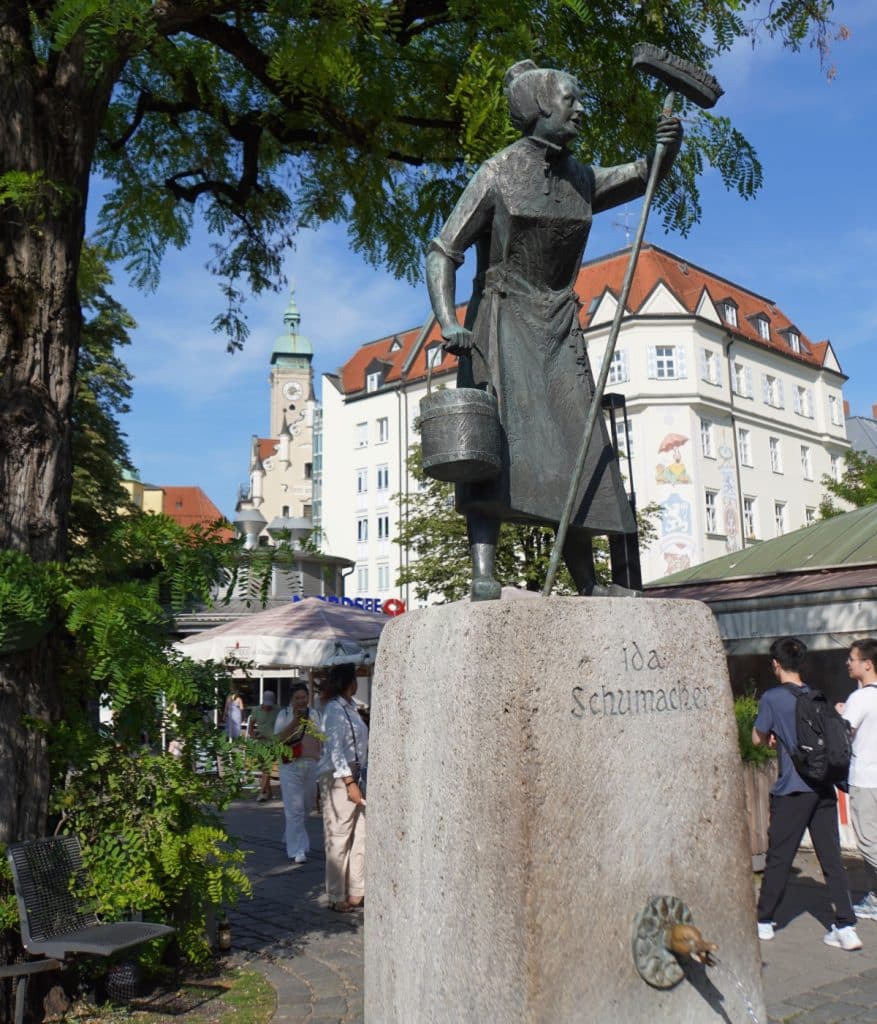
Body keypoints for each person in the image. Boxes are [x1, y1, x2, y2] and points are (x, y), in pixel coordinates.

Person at [425, 59, 682, 601]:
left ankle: (587, 582)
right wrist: (449, 322)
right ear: (539, 107)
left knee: (578, 444)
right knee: (495, 445)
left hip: (559, 323)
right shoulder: (497, 172)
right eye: (572, 100)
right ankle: (483, 573)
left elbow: (639, 175)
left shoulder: (580, 177)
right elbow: (442, 251)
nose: (582, 108)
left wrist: (665, 149)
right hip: (500, 320)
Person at [752, 637, 860, 949]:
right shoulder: (816, 696)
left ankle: (765, 920)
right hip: (824, 788)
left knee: (779, 856)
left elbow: (757, 738)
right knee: (831, 859)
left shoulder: (772, 698)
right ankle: (846, 925)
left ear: (775, 665)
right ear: (803, 664)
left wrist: (772, 734)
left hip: (793, 790)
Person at [317, 662, 368, 912]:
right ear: (348, 681)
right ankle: (337, 894)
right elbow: (335, 748)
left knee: (361, 835)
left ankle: (357, 889)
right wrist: (349, 782)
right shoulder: (333, 709)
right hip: (339, 777)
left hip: (357, 774)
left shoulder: (352, 707)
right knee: (339, 836)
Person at [837, 639, 877, 920]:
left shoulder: (860, 698)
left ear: (867, 664)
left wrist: (839, 713)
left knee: (868, 842)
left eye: (852, 658)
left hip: (865, 778)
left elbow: (842, 734)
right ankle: (875, 899)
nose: (848, 663)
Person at [274, 681, 322, 863]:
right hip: (290, 765)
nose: (301, 701)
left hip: (311, 764)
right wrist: (295, 721)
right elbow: (278, 738)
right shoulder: (283, 715)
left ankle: (291, 834)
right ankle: (297, 850)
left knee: (307, 805)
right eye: (298, 698)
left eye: (304, 697)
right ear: (292, 700)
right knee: (295, 809)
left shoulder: (315, 714)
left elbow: (321, 737)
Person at [248, 690, 279, 801]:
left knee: (266, 768)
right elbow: (250, 726)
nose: (268, 707)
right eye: (266, 705)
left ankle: (262, 792)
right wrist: (254, 737)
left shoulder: (278, 710)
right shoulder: (256, 710)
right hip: (260, 744)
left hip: (273, 744)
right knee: (265, 769)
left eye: (270, 705)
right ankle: (269, 793)